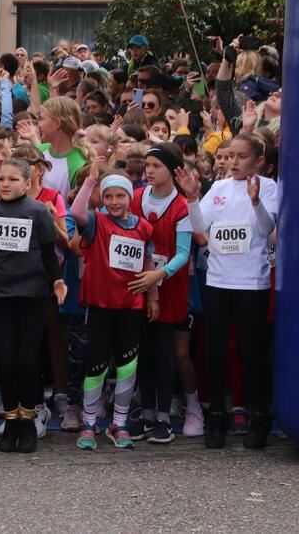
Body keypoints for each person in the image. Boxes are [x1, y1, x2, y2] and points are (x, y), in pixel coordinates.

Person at [176, 132, 278, 450]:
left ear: (259, 161)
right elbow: (199, 227)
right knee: (215, 351)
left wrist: (256, 201)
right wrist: (192, 198)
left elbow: (267, 228)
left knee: (251, 351)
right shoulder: (219, 188)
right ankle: (216, 417)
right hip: (218, 281)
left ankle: (258, 416)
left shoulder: (269, 187)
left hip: (251, 282)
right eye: (230, 156)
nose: (233, 162)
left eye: (241, 157)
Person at [0, 159, 66, 453]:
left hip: (33, 296)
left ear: (27, 183)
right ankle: (11, 421)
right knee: (6, 361)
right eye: (2, 178)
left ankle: (28, 422)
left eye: (13, 179)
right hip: (1, 295)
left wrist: (57, 280)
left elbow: (48, 254)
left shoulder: (38, 212)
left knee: (27, 360)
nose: (5, 184)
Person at [70, 158, 158, 450]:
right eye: (109, 196)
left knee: (127, 367)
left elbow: (148, 262)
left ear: (130, 197)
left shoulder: (144, 227)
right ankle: (89, 423)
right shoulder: (97, 221)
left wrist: (153, 297)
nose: (114, 201)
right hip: (100, 305)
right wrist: (90, 181)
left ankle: (119, 424)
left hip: (130, 306)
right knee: (96, 365)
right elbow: (76, 212)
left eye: (120, 195)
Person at [126, 142, 196, 444]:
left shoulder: (181, 205)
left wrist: (159, 274)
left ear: (172, 169)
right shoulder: (137, 198)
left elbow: (183, 253)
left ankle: (165, 417)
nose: (149, 171)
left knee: (165, 352)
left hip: (169, 286)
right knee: (142, 350)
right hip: (139, 283)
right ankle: (147, 412)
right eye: (148, 165)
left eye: (156, 166)